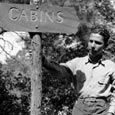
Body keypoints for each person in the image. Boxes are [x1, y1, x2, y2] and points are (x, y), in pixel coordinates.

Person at [42, 27, 115, 115]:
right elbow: (60, 71)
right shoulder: (77, 63)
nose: (93, 46)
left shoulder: (111, 66)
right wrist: (44, 61)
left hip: (102, 111)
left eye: (98, 43)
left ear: (105, 46)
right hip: (80, 109)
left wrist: (111, 112)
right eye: (91, 41)